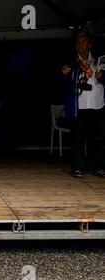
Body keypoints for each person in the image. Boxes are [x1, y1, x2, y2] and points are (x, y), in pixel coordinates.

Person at [61, 31, 105, 178]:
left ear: (90, 44)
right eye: (78, 42)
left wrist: (102, 77)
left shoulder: (99, 61)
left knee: (98, 138)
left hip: (98, 104)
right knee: (77, 138)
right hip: (79, 105)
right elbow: (62, 83)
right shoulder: (71, 62)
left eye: (84, 41)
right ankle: (77, 167)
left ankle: (98, 166)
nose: (81, 45)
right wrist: (64, 75)